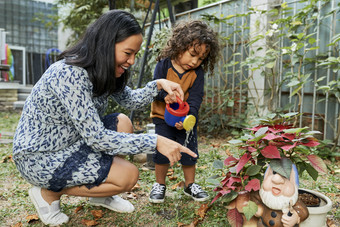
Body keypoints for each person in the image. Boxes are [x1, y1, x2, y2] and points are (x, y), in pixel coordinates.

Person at [12, 10, 197, 226]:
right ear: (106, 44)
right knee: (128, 176)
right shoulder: (70, 74)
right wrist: (155, 141)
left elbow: (131, 100)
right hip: (40, 157)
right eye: (128, 53)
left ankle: (99, 195)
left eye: (135, 54)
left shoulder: (104, 70)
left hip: (72, 143)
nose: (132, 61)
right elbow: (97, 138)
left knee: (123, 122)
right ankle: (48, 194)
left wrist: (158, 85)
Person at [149, 20, 220, 203]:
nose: (195, 61)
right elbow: (153, 89)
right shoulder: (164, 65)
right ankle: (159, 184)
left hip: (185, 121)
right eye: (193, 54)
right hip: (162, 118)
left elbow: (195, 99)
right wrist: (164, 95)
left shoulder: (198, 74)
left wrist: (190, 118)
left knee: (189, 151)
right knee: (162, 152)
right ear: (179, 46)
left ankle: (190, 185)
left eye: (201, 58)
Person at [250, 162, 309, 227]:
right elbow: (254, 197)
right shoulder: (262, 195)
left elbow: (303, 211)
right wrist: (258, 207)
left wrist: (296, 216)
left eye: (285, 176)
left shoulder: (293, 200)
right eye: (274, 173)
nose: (276, 180)